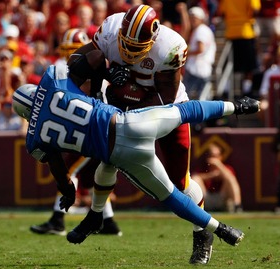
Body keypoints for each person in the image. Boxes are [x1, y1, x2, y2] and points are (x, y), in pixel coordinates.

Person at [12, 60, 259, 256]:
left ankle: (222, 229)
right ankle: (238, 106)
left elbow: (60, 173)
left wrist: (68, 192)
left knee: (169, 195)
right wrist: (104, 80)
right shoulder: (51, 79)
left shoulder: (34, 140)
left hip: (119, 154)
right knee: (184, 111)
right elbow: (87, 63)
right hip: (128, 124)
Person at [67, 4, 217, 265]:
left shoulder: (169, 47)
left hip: (170, 111)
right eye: (125, 44)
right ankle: (95, 216)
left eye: (137, 48)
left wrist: (126, 87)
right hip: (125, 105)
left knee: (180, 182)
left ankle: (202, 234)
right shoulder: (111, 29)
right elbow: (78, 64)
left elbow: (164, 99)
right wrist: (103, 72)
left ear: (153, 39)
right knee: (108, 160)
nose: (128, 52)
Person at [30, 28, 122, 237]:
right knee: (90, 178)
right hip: (93, 129)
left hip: (93, 130)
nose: (71, 55)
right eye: (68, 50)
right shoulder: (73, 72)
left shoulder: (87, 73)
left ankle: (57, 218)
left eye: (75, 50)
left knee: (68, 170)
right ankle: (108, 222)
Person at [192, 142, 243, 213]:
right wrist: (211, 175)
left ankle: (237, 207)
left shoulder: (226, 168)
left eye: (216, 156)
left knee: (230, 178)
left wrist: (219, 165)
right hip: (206, 199)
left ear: (221, 156)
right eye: (212, 156)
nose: (214, 159)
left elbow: (230, 177)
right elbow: (194, 178)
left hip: (222, 199)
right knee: (196, 179)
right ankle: (193, 210)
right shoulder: (202, 169)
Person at [182, 6, 216, 100]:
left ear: (201, 18)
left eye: (195, 18)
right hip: (201, 69)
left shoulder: (201, 30)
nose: (192, 20)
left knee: (186, 97)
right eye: (191, 18)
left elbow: (200, 49)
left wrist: (185, 53)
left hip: (196, 68)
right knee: (201, 98)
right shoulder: (202, 29)